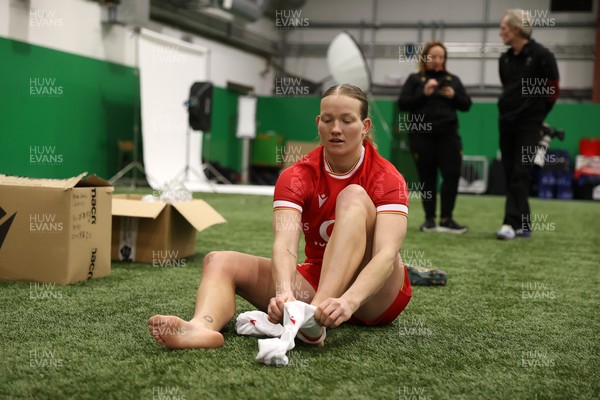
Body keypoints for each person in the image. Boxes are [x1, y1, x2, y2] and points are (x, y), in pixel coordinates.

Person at [148, 84, 442, 351]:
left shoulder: (386, 176)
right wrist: (284, 293)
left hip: (376, 298)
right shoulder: (296, 175)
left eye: (346, 120)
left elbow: (386, 254)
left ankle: (312, 318)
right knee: (218, 260)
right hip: (318, 277)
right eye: (327, 120)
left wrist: (348, 301)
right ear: (318, 123)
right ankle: (201, 327)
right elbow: (286, 242)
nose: (336, 128)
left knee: (352, 196)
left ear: (364, 126)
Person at [496, 9, 559, 240]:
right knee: (511, 171)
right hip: (506, 121)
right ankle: (524, 223)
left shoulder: (543, 56)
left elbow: (553, 89)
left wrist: (539, 114)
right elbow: (507, 88)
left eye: (503, 27)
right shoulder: (504, 58)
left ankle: (509, 223)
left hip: (530, 124)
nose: (500, 32)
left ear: (516, 29)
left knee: (521, 172)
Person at [398, 41, 472, 234]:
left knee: (451, 174)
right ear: (425, 58)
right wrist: (424, 94)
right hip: (422, 137)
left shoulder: (452, 80)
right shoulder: (415, 79)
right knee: (427, 177)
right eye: (433, 56)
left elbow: (466, 104)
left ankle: (447, 219)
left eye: (441, 57)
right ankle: (429, 219)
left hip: (448, 136)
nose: (437, 60)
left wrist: (454, 95)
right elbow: (403, 103)